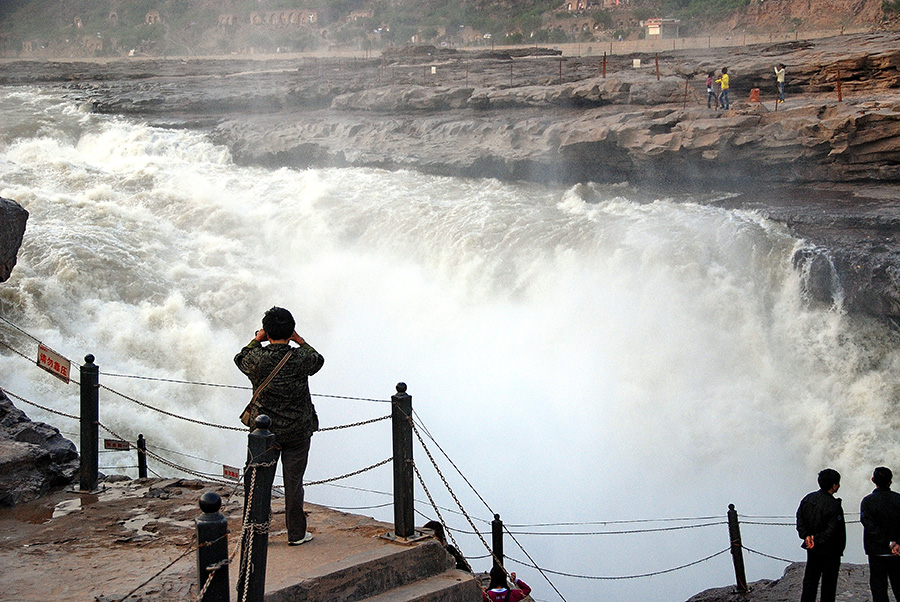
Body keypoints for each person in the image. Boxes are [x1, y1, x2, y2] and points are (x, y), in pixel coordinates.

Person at [235, 306, 324, 546]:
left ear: (266, 331)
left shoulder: (256, 358)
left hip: (263, 434)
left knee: (257, 481)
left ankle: (255, 533)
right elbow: (318, 360)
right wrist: (300, 340)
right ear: (291, 330)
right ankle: (296, 534)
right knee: (294, 483)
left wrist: (256, 340)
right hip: (297, 431)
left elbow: (239, 358)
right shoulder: (300, 358)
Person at [796, 468, 846, 602]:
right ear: (834, 485)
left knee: (810, 582)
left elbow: (800, 519)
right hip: (830, 551)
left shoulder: (808, 499)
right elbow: (833, 530)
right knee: (829, 585)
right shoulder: (834, 505)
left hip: (812, 549)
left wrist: (806, 536)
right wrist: (816, 539)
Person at [860, 467, 900, 602]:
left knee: (879, 589)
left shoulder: (868, 501)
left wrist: (887, 542)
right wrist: (897, 542)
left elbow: (869, 525)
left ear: (873, 480)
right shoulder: (898, 499)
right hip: (897, 552)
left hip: (876, 552)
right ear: (890, 481)